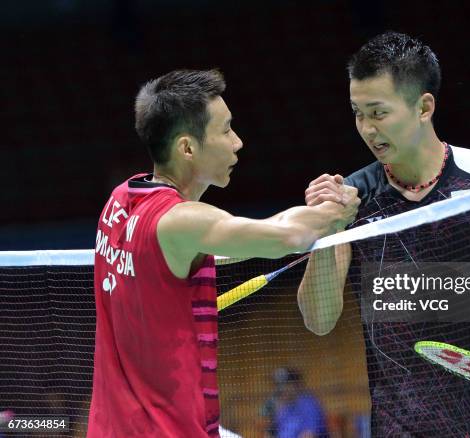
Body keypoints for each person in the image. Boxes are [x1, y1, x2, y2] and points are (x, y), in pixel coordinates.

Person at [298, 32, 470, 436]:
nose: (366, 129)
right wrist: (324, 230)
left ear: (423, 106)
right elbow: (319, 320)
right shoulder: (352, 200)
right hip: (403, 427)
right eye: (357, 113)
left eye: (378, 112)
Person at [87, 69, 359, 438]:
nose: (238, 142)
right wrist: (334, 210)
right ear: (187, 147)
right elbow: (286, 236)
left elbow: (243, 241)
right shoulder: (179, 221)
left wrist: (308, 218)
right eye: (226, 129)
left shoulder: (120, 201)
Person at [262, 368, 329, 438]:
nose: (279, 390)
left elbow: (310, 434)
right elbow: (271, 432)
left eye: (284, 385)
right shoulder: (283, 408)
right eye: (277, 385)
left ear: (296, 384)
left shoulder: (308, 404)